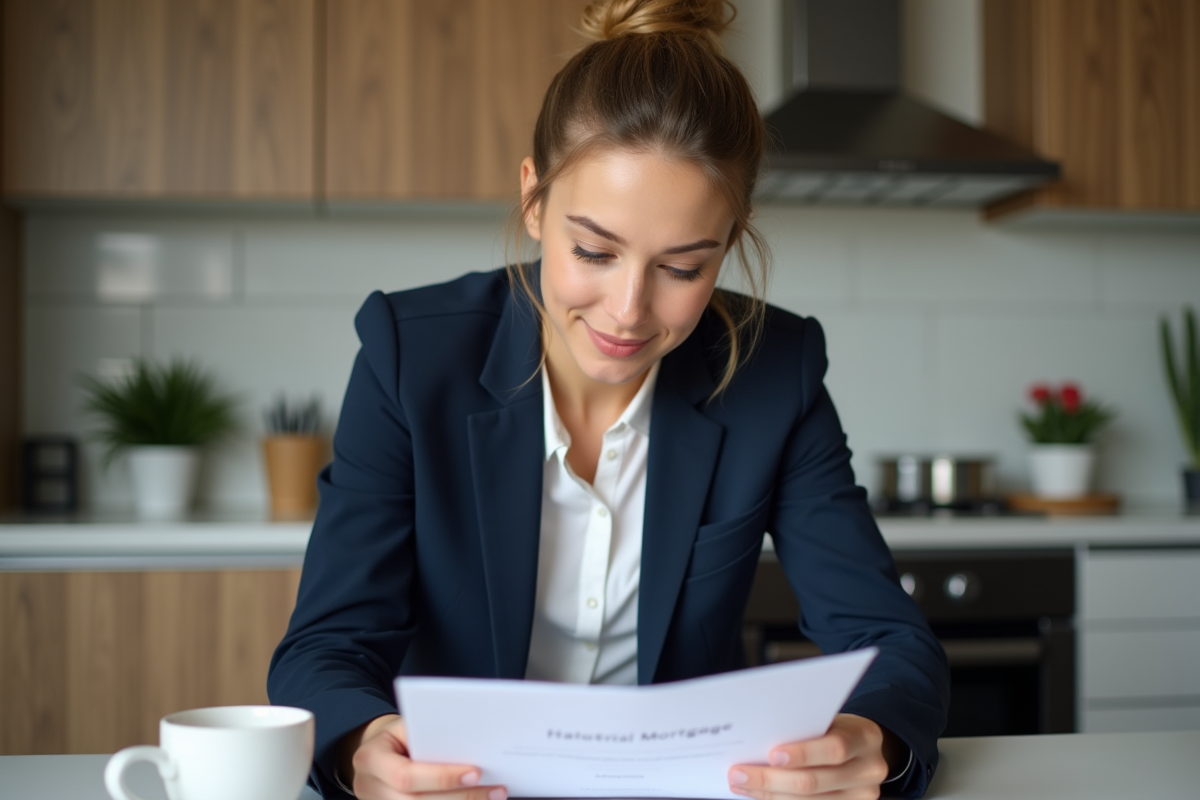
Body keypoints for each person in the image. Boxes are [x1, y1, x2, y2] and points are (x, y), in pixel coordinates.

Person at [268, 1, 950, 798]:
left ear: (729, 242)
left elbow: (887, 639)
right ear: (533, 201)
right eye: (594, 250)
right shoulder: (409, 356)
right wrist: (364, 744)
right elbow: (325, 645)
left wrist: (873, 741)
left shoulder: (775, 370)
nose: (628, 310)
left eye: (683, 268)